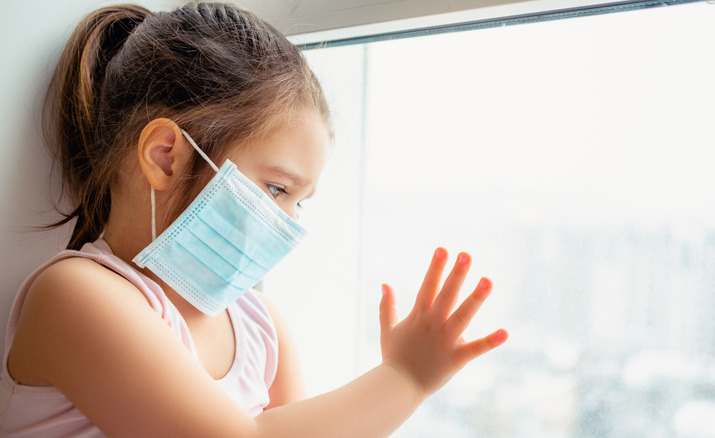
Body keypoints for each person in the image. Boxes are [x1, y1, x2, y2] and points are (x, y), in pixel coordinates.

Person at [0, 2, 508, 437]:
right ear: (164, 157)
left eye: (299, 202)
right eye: (275, 189)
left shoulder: (262, 327)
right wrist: (406, 377)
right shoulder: (74, 295)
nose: (286, 223)